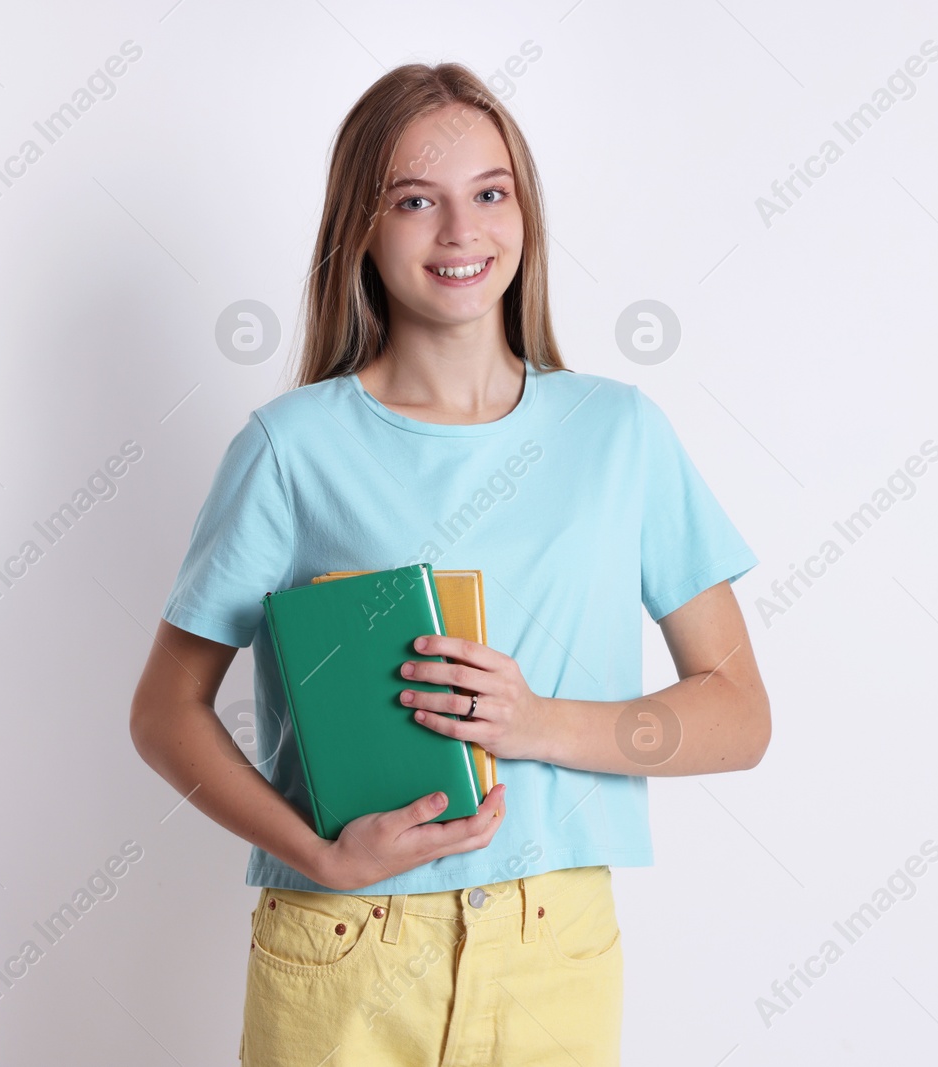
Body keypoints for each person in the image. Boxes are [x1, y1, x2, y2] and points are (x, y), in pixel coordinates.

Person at [129, 60, 770, 1067]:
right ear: (362, 228)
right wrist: (317, 853)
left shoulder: (621, 436)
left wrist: (537, 722)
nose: (461, 232)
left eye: (490, 193)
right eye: (415, 200)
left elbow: (738, 714)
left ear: (525, 213)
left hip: (550, 949)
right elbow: (164, 710)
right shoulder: (288, 448)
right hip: (344, 944)